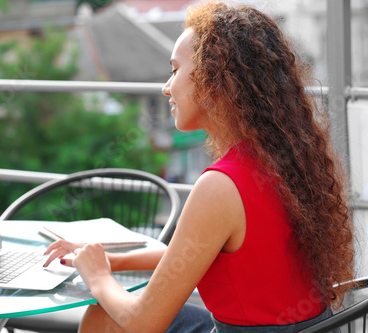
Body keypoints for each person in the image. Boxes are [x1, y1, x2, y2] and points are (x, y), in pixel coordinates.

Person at [43, 1, 357, 332]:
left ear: (215, 80)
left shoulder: (221, 186)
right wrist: (113, 261)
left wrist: (98, 277)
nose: (167, 87)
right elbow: (195, 258)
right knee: (106, 314)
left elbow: (142, 323)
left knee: (103, 315)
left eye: (175, 70)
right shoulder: (281, 162)